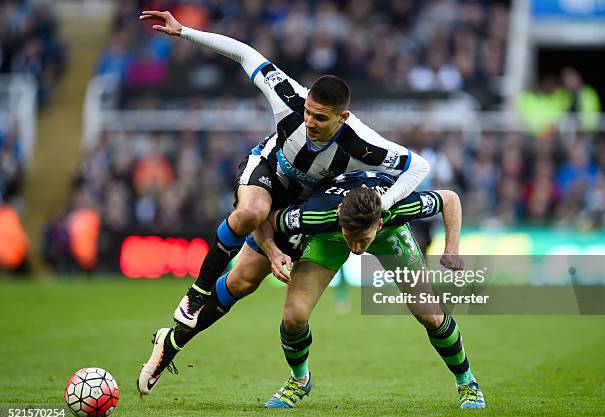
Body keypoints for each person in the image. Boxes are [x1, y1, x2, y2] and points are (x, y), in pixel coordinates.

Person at [137, 10, 430, 394]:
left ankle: (169, 344)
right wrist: (185, 31)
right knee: (252, 211)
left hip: (298, 203)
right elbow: (245, 53)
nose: (309, 121)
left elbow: (418, 166)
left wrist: (382, 201)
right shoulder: (289, 98)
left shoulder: (363, 144)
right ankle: (197, 292)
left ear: (342, 118)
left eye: (320, 118)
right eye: (308, 112)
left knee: (242, 282)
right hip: (265, 173)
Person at [254, 172, 485, 410]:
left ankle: (467, 383)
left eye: (362, 240)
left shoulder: (398, 207)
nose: (356, 248)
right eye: (351, 238)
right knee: (294, 317)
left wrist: (451, 250)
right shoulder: (315, 213)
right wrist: (273, 252)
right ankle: (299, 379)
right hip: (328, 237)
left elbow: (450, 199)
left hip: (390, 236)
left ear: (379, 222)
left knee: (430, 315)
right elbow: (262, 220)